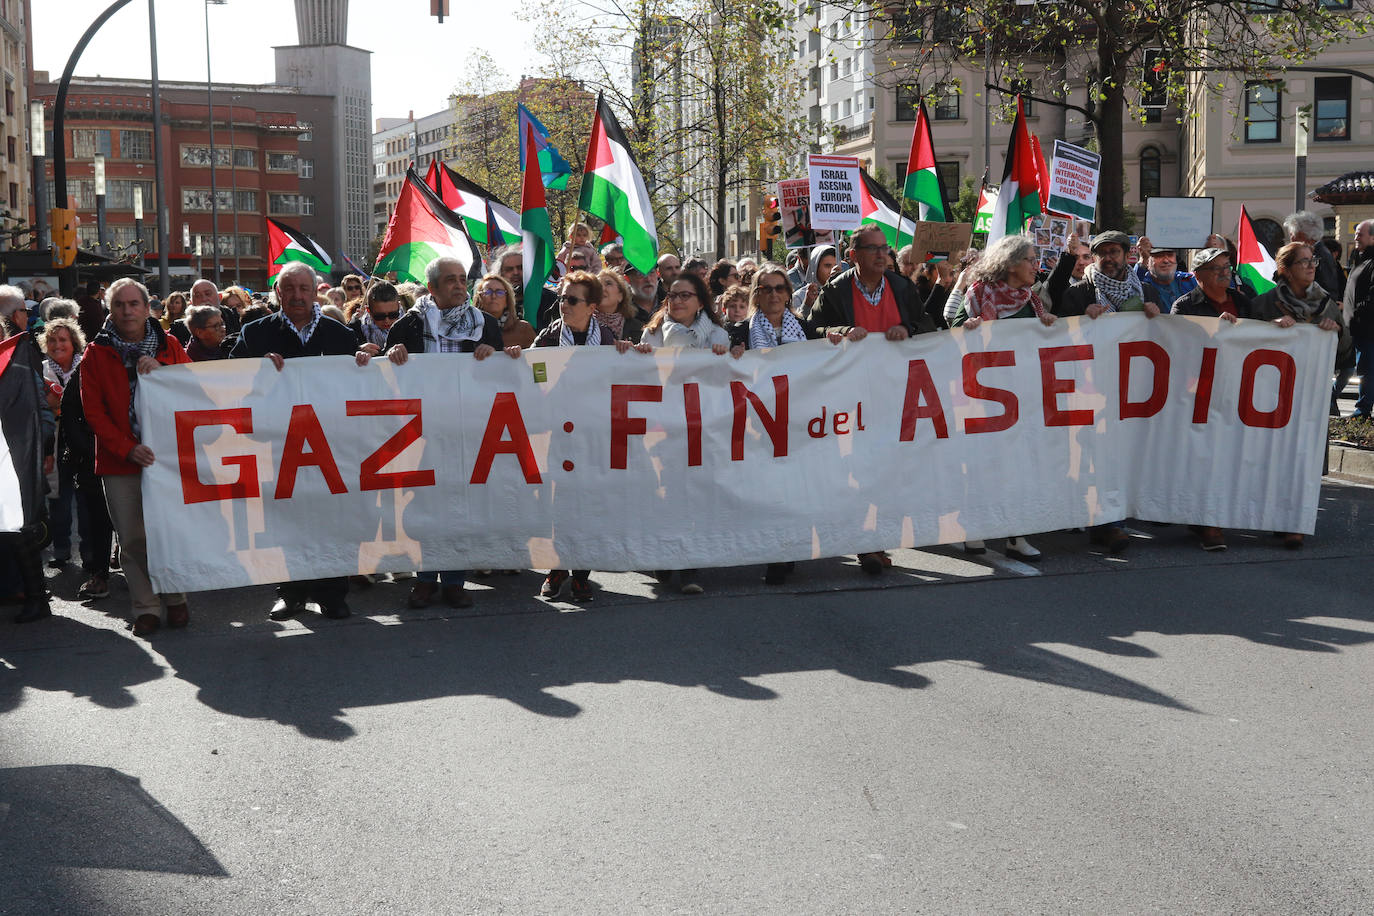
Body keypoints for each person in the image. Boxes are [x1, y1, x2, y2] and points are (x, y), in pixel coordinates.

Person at [370, 256, 516, 610]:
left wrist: (493, 354)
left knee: (458, 507)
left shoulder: (484, 324)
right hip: (420, 433)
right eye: (450, 279)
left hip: (465, 431)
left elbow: (498, 380)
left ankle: (453, 581)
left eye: (463, 279)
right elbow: (390, 377)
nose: (459, 285)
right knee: (423, 509)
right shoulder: (408, 325)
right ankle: (424, 580)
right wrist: (394, 352)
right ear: (432, 287)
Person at [230, 262, 361, 621]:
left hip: (330, 445)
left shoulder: (340, 334)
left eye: (304, 288)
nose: (297, 295)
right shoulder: (255, 334)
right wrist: (253, 366)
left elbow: (357, 387)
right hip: (278, 443)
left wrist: (366, 362)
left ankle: (333, 593)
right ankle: (290, 593)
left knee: (332, 518)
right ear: (278, 293)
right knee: (285, 519)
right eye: (289, 288)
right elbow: (230, 379)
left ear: (316, 291)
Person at [810, 224, 935, 575]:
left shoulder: (901, 286)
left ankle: (876, 537)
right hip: (850, 398)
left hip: (894, 395)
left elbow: (928, 324)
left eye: (885, 248)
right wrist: (838, 331)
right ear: (854, 255)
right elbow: (811, 329)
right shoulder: (836, 290)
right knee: (857, 469)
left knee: (887, 468)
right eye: (873, 249)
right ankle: (866, 543)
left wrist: (907, 330)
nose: (882, 254)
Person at [81, 279, 191, 636]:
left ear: (147, 308)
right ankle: (145, 606)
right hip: (119, 461)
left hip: (168, 458)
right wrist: (126, 448)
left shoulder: (170, 345)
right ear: (110, 310)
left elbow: (196, 390)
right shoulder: (95, 353)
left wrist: (165, 376)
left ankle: (176, 599)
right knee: (130, 538)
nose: (126, 311)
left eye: (133, 304)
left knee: (169, 533)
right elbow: (94, 413)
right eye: (119, 305)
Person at [531, 270, 649, 602]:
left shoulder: (609, 343)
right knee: (559, 504)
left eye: (571, 300)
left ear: (592, 306)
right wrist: (521, 360)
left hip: (594, 438)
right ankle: (556, 570)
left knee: (588, 504)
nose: (563, 305)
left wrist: (627, 357)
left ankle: (582, 572)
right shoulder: (548, 340)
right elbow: (533, 381)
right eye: (560, 298)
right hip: (558, 435)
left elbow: (620, 383)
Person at [945, 235, 1056, 561]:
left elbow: (1043, 346)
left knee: (1019, 467)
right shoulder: (978, 294)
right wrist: (967, 326)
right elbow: (950, 331)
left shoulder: (1032, 301)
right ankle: (975, 529)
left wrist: (1049, 324)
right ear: (1010, 264)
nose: (1036, 266)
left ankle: (1015, 535)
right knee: (982, 466)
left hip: (1021, 398)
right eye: (1031, 260)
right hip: (983, 397)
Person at [637, 271, 730, 595]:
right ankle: (665, 557)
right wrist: (634, 356)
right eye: (672, 295)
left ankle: (688, 566)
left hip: (701, 429)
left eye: (684, 295)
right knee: (664, 493)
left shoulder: (717, 335)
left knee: (693, 495)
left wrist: (728, 359)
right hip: (663, 428)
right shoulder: (652, 333)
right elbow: (638, 375)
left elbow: (727, 382)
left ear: (700, 302)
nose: (676, 301)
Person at [1252, 243, 1350, 541]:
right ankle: (1270, 514)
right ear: (1285, 269)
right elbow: (1243, 345)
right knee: (1272, 455)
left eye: (1313, 261)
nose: (1311, 266)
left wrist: (1338, 332)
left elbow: (1344, 356)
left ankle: (1293, 521)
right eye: (1304, 262)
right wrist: (1269, 328)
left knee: (1302, 456)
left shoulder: (1327, 304)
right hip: (1270, 395)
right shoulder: (1263, 304)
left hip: (1311, 393)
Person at [38, 317, 84, 570]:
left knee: (86, 502)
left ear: (73, 342)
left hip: (82, 441)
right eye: (52, 340)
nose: (57, 345)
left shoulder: (86, 366)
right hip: (54, 443)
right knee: (59, 501)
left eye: (63, 340)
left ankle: (89, 554)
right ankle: (61, 549)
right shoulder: (41, 370)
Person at [1056, 230, 1164, 318]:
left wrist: (1157, 317)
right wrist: (1082, 318)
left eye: (1114, 252)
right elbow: (1065, 334)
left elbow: (1162, 334)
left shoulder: (1147, 292)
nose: (1107, 258)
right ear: (1094, 258)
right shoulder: (1077, 294)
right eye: (1102, 253)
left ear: (1127, 256)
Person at [1341, 219, 1374, 418]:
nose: (1355, 237)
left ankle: (1363, 410)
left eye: (1360, 234)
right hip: (1359, 328)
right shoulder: (1361, 259)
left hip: (1368, 329)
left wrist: (1351, 310)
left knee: (1367, 371)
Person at [1170, 248, 1252, 320]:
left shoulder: (1242, 301)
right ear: (1197, 275)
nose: (1224, 272)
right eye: (1216, 268)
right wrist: (1213, 325)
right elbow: (1177, 336)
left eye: (1227, 266)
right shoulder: (1183, 307)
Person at [1284, 210, 1343, 299]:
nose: (1291, 239)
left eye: (1292, 234)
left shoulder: (1318, 255)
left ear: (1302, 235)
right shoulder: (1320, 251)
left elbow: (1325, 289)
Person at [474, 272, 535, 349]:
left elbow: (536, 358)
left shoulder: (524, 329)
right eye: (488, 292)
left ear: (507, 300)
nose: (493, 296)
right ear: (480, 298)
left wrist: (516, 354)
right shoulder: (468, 329)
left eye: (499, 292)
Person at [1133, 237, 1198, 306]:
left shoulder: (1190, 280)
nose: (1166, 261)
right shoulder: (1143, 284)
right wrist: (1142, 259)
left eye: (1170, 255)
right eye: (1159, 256)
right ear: (1148, 263)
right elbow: (1133, 285)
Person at [348, 280, 403, 357]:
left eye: (393, 315)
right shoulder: (355, 328)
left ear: (399, 306)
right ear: (368, 310)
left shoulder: (409, 325)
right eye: (379, 316)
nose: (387, 320)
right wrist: (357, 350)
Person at [596, 268, 644, 342]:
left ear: (620, 296)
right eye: (598, 285)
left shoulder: (639, 328)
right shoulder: (584, 325)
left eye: (608, 283)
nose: (602, 288)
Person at [792, 244, 837, 318]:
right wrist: (807, 305)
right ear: (815, 267)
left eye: (835, 266)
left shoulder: (844, 291)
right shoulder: (799, 297)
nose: (832, 271)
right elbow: (798, 326)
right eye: (827, 266)